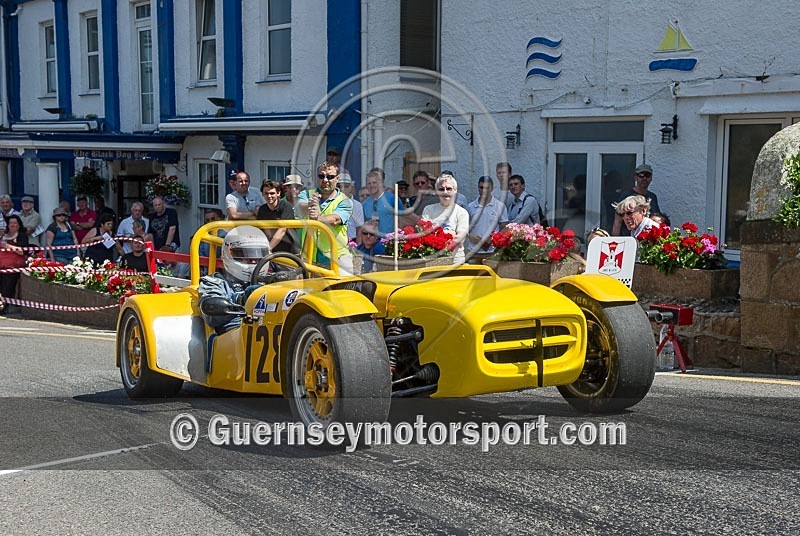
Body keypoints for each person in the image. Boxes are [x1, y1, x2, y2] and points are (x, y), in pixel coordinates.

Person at [297, 162, 354, 274]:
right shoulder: (306, 195)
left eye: (330, 177)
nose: (325, 180)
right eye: (321, 176)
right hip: (310, 260)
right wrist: (310, 204)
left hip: (337, 259)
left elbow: (335, 219)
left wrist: (318, 218)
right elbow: (299, 208)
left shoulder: (345, 201)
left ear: (337, 179)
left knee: (343, 291)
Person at [422, 173, 470, 264]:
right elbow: (424, 235)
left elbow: (460, 238)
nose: (445, 192)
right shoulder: (428, 210)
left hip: (456, 261)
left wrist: (435, 237)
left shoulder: (462, 212)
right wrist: (450, 234)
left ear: (455, 190)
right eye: (441, 189)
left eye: (449, 188)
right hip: (432, 260)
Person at [612, 163, 661, 235]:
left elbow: (658, 219)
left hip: (648, 238)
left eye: (647, 175)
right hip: (628, 238)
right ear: (635, 178)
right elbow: (618, 221)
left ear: (651, 178)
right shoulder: (626, 196)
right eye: (641, 175)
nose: (644, 178)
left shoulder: (652, 197)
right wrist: (615, 242)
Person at [466, 176, 508, 255]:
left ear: (492, 189)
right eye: (481, 187)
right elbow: (465, 228)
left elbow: (505, 227)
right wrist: (476, 240)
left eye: (487, 188)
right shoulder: (470, 207)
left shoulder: (500, 206)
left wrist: (492, 239)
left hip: (492, 251)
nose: (484, 190)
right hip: (473, 251)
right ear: (478, 188)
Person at [257, 179, 299, 254]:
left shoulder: (286, 206)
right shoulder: (262, 209)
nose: (269, 196)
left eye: (272, 193)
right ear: (262, 194)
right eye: (266, 193)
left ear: (278, 193)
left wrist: (269, 248)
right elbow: (264, 230)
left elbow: (282, 229)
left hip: (289, 251)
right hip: (271, 251)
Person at [0, 214, 29, 313]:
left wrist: (8, 246)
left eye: (15, 223)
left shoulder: (22, 236)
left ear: (19, 225)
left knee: (7, 287)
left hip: (13, 266)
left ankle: (6, 306)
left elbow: (23, 251)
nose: (12, 225)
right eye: (10, 223)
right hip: (1, 265)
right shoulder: (4, 235)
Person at [362, 168, 396, 236]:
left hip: (389, 242)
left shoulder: (392, 198)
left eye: (374, 183)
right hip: (372, 241)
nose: (372, 185)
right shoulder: (364, 204)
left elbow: (403, 218)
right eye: (369, 183)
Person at [336, 173, 364, 244]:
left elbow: (359, 229)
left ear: (351, 187)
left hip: (351, 241)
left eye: (346, 186)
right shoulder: (330, 203)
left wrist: (358, 248)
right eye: (339, 186)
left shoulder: (357, 205)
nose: (342, 189)